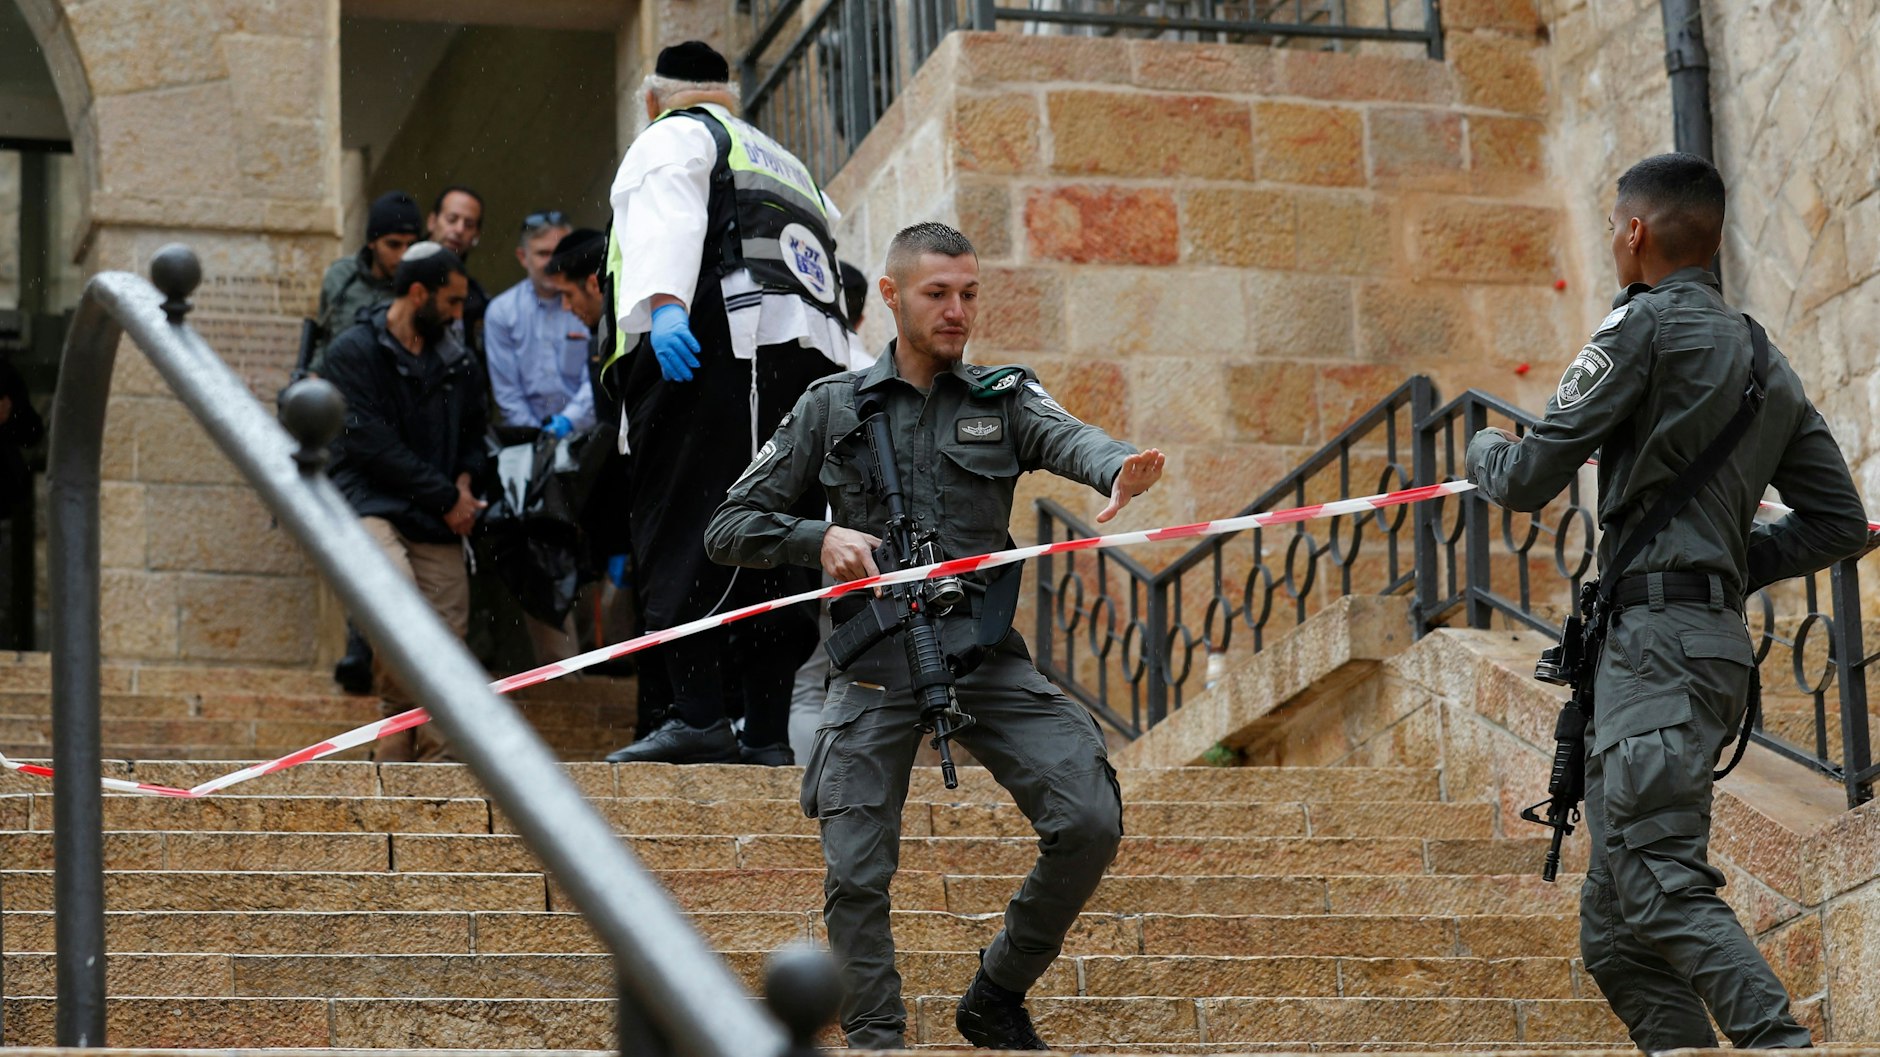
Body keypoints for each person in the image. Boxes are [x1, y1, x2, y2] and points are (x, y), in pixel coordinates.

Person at [706, 222, 1167, 1050]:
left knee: (1090, 816)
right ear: (891, 295)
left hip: (979, 652)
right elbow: (729, 524)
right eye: (938, 294)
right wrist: (819, 539)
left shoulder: (1004, 396)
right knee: (855, 872)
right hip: (873, 657)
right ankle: (878, 1040)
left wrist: (1119, 466)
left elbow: (1072, 437)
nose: (958, 311)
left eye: (969, 293)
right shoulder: (831, 406)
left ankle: (996, 991)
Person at [1466, 153, 1868, 1051]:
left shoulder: (1637, 327)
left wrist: (1482, 451)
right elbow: (1840, 521)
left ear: (1637, 232)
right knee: (1618, 939)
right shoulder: (1767, 356)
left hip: (1655, 653)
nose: (1613, 240)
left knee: (1658, 885)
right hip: (1703, 646)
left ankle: (1779, 1042)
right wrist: (1725, 568)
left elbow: (1530, 477)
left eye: (1616, 226)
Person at [599, 40, 853, 766]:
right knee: (781, 539)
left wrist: (667, 306)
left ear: (652, 96)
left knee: (689, 527)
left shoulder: (674, 135)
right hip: (802, 373)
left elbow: (668, 222)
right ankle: (767, 730)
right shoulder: (785, 159)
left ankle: (700, 713)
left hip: (714, 358)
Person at [322, 242, 490, 763]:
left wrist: (464, 483)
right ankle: (416, 731)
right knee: (391, 600)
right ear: (419, 292)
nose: (460, 314)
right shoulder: (352, 352)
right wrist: (445, 495)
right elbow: (367, 442)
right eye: (454, 302)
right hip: (370, 502)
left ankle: (422, 750)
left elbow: (474, 435)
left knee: (446, 637)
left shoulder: (458, 360)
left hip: (437, 514)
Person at [786, 260, 874, 763]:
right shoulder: (877, 369)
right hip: (875, 545)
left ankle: (813, 791)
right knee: (857, 680)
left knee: (806, 681)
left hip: (818, 539)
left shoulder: (803, 363)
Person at [309, 190, 422, 374]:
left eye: (410, 245)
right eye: (393, 245)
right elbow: (325, 337)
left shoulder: (418, 288)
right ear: (372, 242)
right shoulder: (342, 277)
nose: (403, 255)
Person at [428, 185, 490, 349]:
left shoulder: (476, 300)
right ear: (432, 222)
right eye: (451, 219)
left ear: (476, 235)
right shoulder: (394, 274)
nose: (459, 229)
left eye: (469, 224)